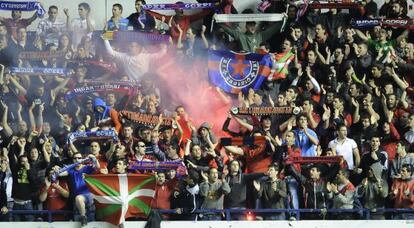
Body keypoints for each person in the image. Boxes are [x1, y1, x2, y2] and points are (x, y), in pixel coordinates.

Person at [55, 153, 100, 226]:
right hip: (77, 200)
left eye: (79, 158)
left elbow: (97, 167)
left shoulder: (86, 167)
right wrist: (57, 170)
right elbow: (60, 174)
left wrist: (94, 158)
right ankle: (83, 217)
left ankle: (83, 217)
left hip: (88, 196)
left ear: (82, 159)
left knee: (91, 223)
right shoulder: (71, 170)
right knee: (78, 223)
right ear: (73, 160)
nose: (77, 160)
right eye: (75, 158)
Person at [102, 37, 167, 81]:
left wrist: (164, 47)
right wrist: (105, 38)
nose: (130, 48)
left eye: (132, 46)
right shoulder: (125, 56)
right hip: (131, 86)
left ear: (138, 48)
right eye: (130, 46)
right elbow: (111, 52)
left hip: (143, 85)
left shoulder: (145, 56)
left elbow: (160, 55)